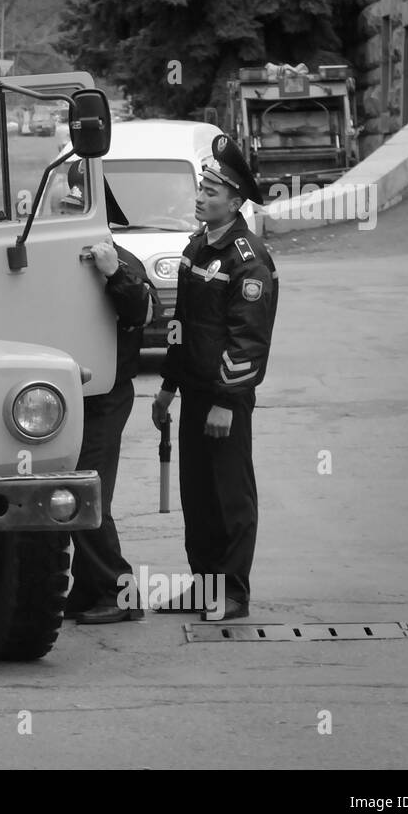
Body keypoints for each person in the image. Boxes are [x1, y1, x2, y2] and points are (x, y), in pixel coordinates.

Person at [151, 134, 279, 621]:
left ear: (235, 200)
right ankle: (205, 583)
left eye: (211, 191)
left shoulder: (248, 259)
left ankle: (233, 592)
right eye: (201, 187)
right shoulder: (197, 248)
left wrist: (227, 400)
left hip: (227, 397)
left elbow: (248, 339)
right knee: (198, 495)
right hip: (194, 393)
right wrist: (167, 386)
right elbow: (180, 325)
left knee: (230, 496)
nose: (201, 197)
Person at [65, 205, 156, 624]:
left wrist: (114, 273)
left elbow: (141, 312)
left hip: (105, 395)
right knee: (72, 491)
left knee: (89, 493)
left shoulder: (120, 260)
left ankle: (118, 593)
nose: (63, 212)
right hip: (67, 395)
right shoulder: (65, 257)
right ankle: (88, 589)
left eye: (71, 205)